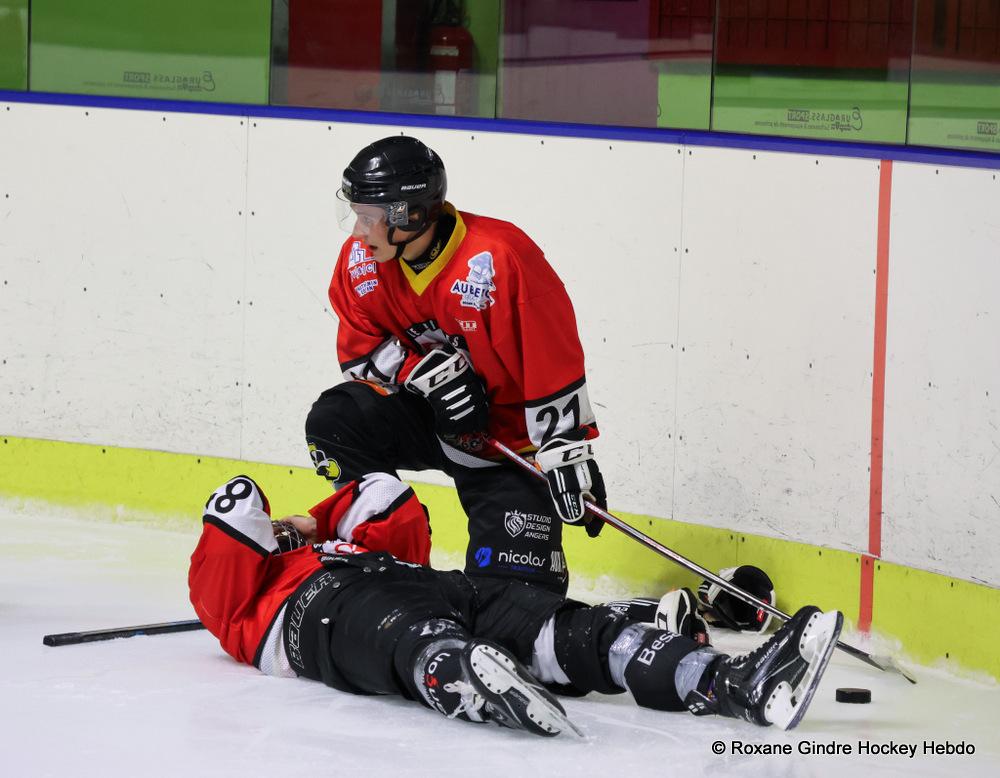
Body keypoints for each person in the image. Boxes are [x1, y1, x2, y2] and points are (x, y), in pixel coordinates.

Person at [189, 475, 844, 736]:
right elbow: (232, 509)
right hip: (321, 615)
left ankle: (735, 682)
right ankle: (461, 675)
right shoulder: (241, 604)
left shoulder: (325, 541)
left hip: (423, 584)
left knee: (568, 631)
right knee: (409, 636)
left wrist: (310, 523)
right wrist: (281, 536)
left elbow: (391, 503)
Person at [305, 135, 606, 594]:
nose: (356, 233)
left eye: (368, 218)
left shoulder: (501, 257)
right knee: (337, 419)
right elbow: (360, 349)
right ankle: (380, 548)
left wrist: (567, 451)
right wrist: (417, 376)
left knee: (513, 605)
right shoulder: (361, 262)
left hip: (504, 446)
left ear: (412, 215)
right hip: (426, 420)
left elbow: (553, 356)